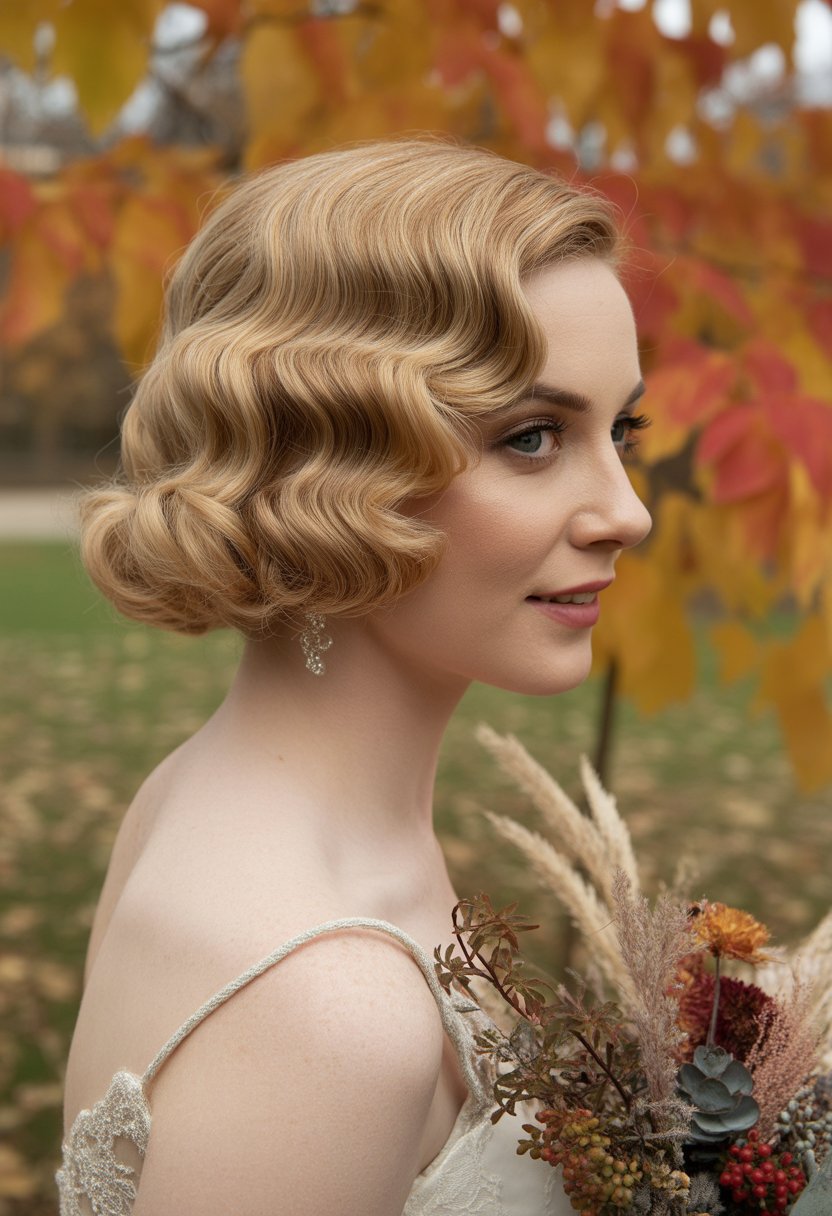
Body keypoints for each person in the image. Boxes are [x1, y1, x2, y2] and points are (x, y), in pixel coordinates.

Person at [58, 137, 652, 1215]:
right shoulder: (324, 1003)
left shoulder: (207, 794)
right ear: (325, 467)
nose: (628, 511)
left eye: (623, 429)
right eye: (532, 437)